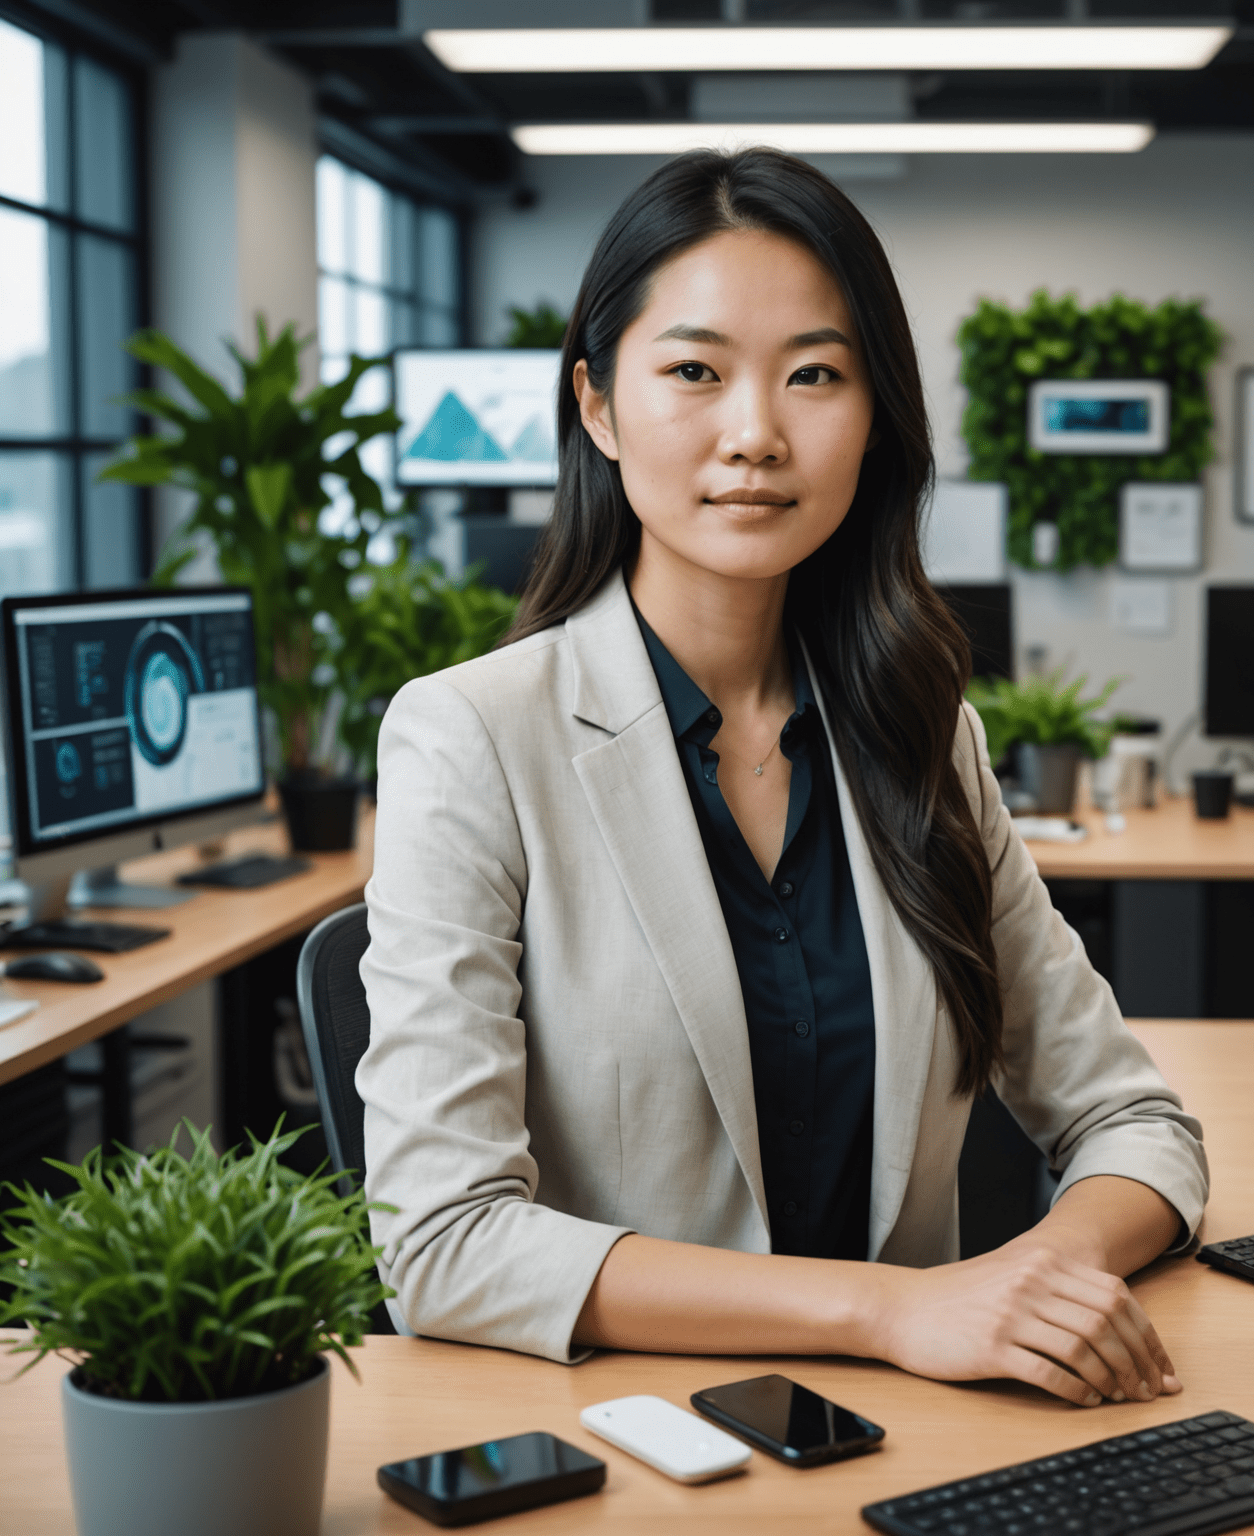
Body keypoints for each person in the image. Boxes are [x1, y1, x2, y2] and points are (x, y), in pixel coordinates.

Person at [358, 147, 1207, 1410]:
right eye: (694, 371)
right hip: (626, 1451)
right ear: (597, 406)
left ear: (875, 417)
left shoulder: (924, 735)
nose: (755, 433)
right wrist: (899, 1310)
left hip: (914, 1443)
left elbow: (1138, 1126)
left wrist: (1033, 1284)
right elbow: (442, 1243)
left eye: (816, 375)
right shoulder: (472, 735)